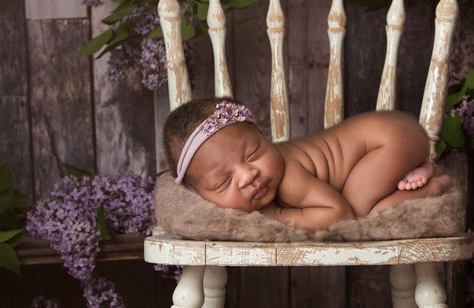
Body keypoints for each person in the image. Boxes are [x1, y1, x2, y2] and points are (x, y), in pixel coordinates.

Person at [163, 98, 452, 231]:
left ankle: (430, 186)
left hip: (390, 139)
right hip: (395, 133)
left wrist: (275, 218)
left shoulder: (289, 177)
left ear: (263, 137)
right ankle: (415, 165)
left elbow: (339, 214)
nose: (248, 174)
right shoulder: (264, 172)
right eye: (223, 183)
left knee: (363, 211)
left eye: (253, 154)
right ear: (201, 195)